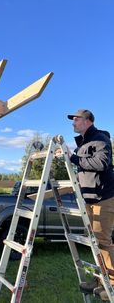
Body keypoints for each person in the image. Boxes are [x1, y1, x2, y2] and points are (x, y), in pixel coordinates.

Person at [67, 109, 114, 301]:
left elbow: (102, 163)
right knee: (95, 242)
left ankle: (112, 285)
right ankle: (100, 280)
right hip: (90, 198)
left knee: (103, 241)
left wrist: (74, 158)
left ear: (87, 121)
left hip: (104, 197)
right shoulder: (84, 142)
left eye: (76, 119)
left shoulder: (100, 138)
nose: (73, 123)